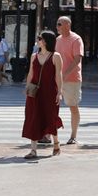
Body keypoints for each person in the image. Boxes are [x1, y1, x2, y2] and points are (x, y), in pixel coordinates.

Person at [21, 31, 64, 159]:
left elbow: (58, 75)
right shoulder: (34, 56)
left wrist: (59, 92)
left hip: (50, 91)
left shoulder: (56, 56)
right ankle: (33, 150)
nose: (38, 40)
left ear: (46, 41)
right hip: (35, 92)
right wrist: (27, 88)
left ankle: (56, 143)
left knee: (51, 117)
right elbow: (30, 73)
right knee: (33, 117)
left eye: (40, 38)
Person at [55, 17, 83, 144]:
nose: (57, 26)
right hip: (57, 79)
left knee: (73, 106)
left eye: (59, 24)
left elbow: (77, 59)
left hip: (72, 79)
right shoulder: (57, 40)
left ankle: (73, 136)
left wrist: (65, 74)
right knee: (52, 107)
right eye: (57, 24)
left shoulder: (76, 39)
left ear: (67, 25)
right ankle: (49, 134)